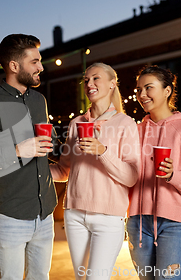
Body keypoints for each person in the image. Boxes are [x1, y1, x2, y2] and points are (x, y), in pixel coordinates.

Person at [0, 34, 57, 279]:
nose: (41, 67)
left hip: (45, 210)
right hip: (10, 214)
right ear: (14, 66)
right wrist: (17, 151)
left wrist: (62, 144)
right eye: (35, 62)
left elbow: (46, 146)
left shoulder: (39, 100)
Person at [50, 62, 140, 279]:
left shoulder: (125, 123)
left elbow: (131, 177)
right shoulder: (76, 124)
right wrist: (34, 169)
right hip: (74, 214)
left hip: (109, 217)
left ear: (112, 84)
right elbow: (64, 170)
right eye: (86, 79)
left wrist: (102, 151)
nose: (89, 83)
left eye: (96, 78)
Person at [128, 66, 181, 280]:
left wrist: (174, 174)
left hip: (177, 223)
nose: (142, 95)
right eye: (138, 90)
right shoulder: (134, 132)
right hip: (138, 222)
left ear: (167, 91)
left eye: (148, 88)